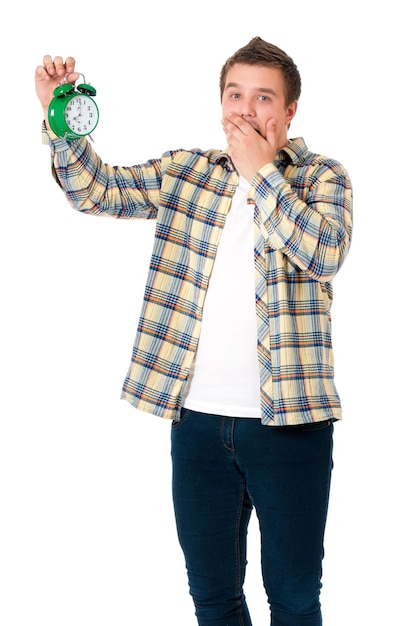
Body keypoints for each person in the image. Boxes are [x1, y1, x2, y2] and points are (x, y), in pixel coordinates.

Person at [35, 37, 353, 626]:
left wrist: (261, 175)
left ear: (289, 112)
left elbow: (325, 252)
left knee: (294, 598)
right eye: (235, 94)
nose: (246, 109)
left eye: (263, 98)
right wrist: (64, 126)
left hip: (291, 426)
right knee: (212, 599)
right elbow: (95, 191)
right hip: (199, 427)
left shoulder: (321, 179)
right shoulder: (188, 173)